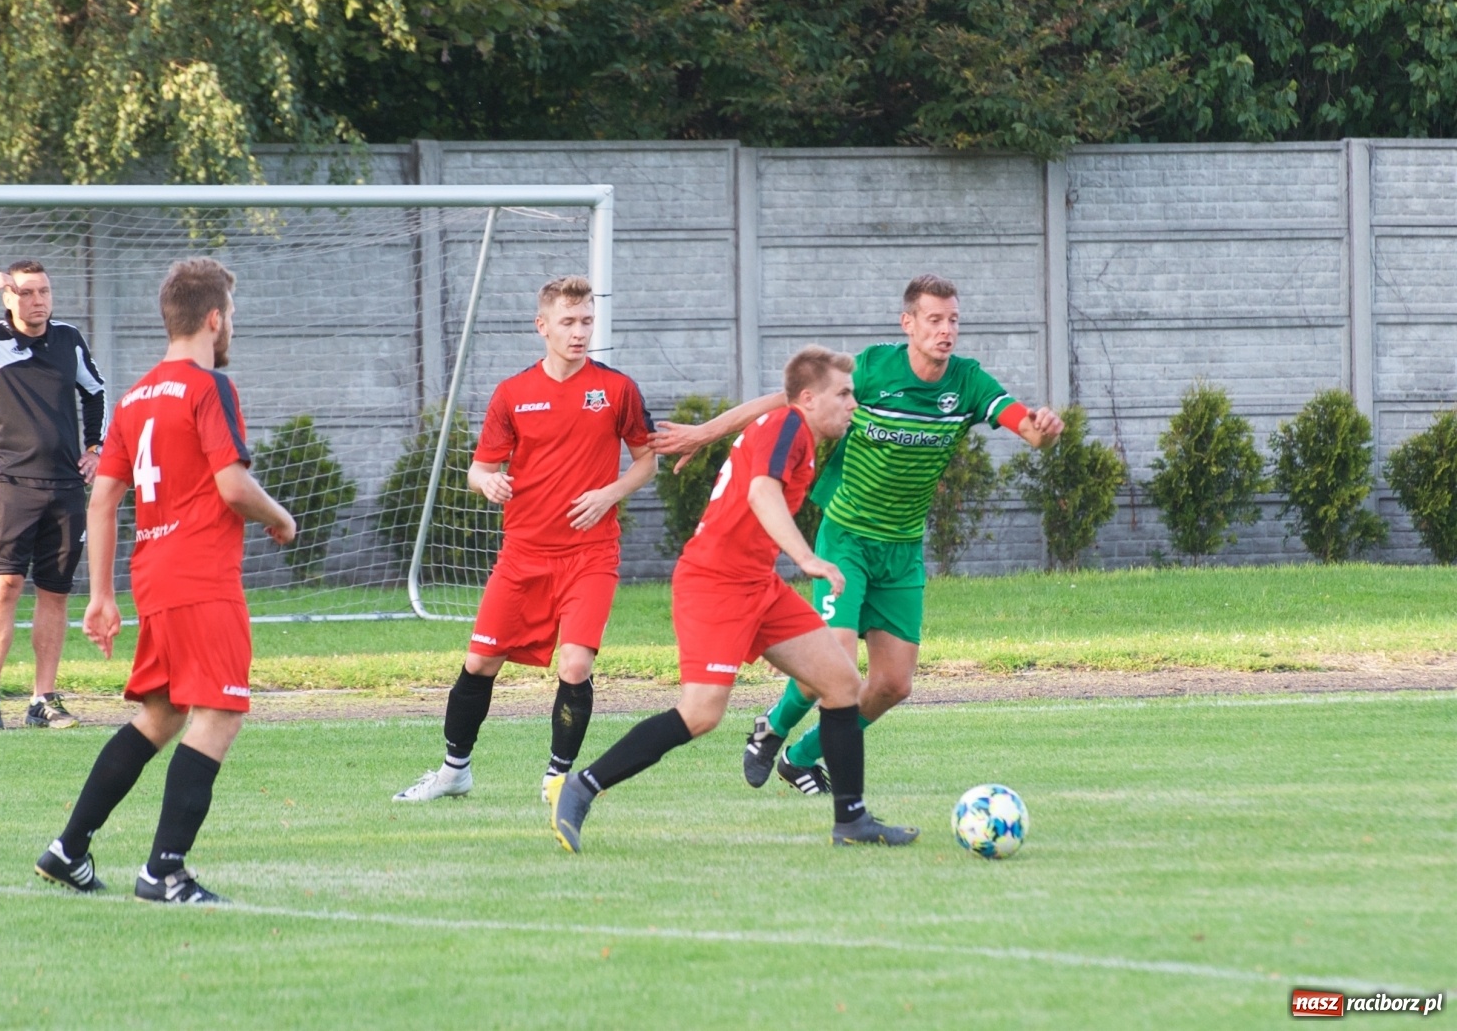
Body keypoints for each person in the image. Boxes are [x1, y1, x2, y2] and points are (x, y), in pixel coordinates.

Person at [651, 275, 1064, 794]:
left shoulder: (968, 382)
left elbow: (1025, 426)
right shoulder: (873, 368)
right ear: (908, 323)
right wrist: (706, 432)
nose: (946, 330)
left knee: (893, 685)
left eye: (953, 319)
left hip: (903, 548)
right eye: (934, 319)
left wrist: (1044, 428)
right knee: (834, 664)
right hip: (845, 537)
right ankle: (773, 727)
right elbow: (787, 401)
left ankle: (801, 756)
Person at [548, 346, 919, 852]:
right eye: (844, 394)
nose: (854, 403)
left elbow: (770, 404)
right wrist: (808, 559)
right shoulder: (787, 427)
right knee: (701, 713)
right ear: (809, 399)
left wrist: (704, 434)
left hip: (757, 585)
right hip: (715, 584)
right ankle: (582, 787)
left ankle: (850, 821)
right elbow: (761, 493)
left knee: (841, 684)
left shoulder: (794, 423)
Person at [34, 258, 296, 903]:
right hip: (202, 576)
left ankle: (68, 849)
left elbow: (102, 498)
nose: (229, 325)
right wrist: (281, 517)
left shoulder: (136, 396)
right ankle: (164, 871)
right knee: (219, 714)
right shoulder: (210, 389)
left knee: (162, 713)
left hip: (153, 576)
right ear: (214, 318)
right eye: (229, 315)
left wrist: (100, 595)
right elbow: (233, 487)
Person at [395, 276, 657, 804]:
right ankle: (453, 772)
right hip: (523, 555)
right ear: (543, 326)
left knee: (576, 664)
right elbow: (478, 469)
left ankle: (558, 779)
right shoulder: (513, 393)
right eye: (568, 322)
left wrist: (611, 493)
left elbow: (648, 461)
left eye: (586, 321)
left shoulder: (617, 389)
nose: (580, 332)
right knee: (479, 664)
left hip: (590, 554)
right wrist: (486, 480)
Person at [0, 260, 107, 731]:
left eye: (44, 291)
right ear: (9, 298)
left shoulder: (68, 338)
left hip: (67, 489)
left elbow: (95, 391)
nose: (39, 301)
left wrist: (95, 447)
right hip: (12, 485)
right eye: (27, 293)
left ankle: (42, 701)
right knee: (5, 586)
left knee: (55, 592)